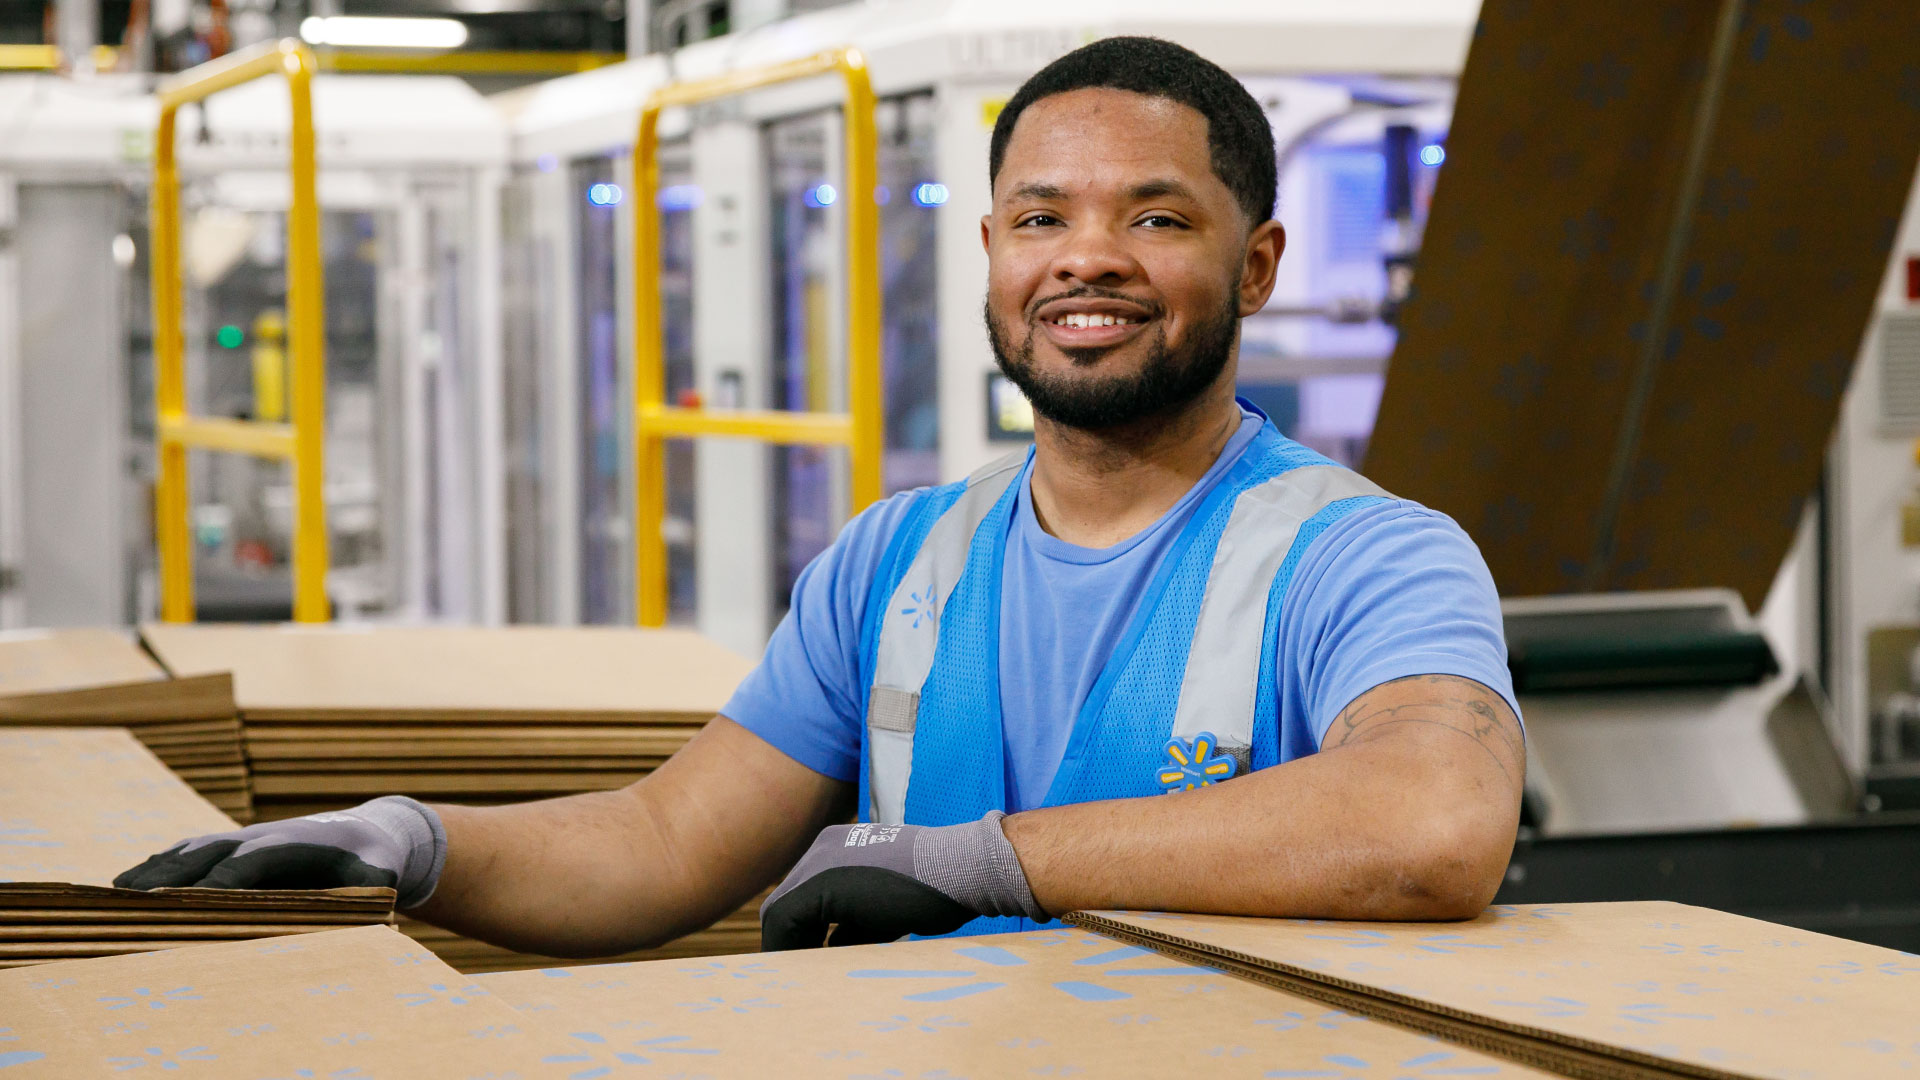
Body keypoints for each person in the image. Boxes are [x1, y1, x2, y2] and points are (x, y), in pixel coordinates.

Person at [117, 37, 1525, 953]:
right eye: (1042, 219)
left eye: (1154, 218)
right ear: (988, 252)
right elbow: (669, 843)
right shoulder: (900, 561)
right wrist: (411, 843)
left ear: (1260, 264)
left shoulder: (1364, 559)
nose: (1086, 259)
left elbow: (1432, 822)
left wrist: (986, 861)